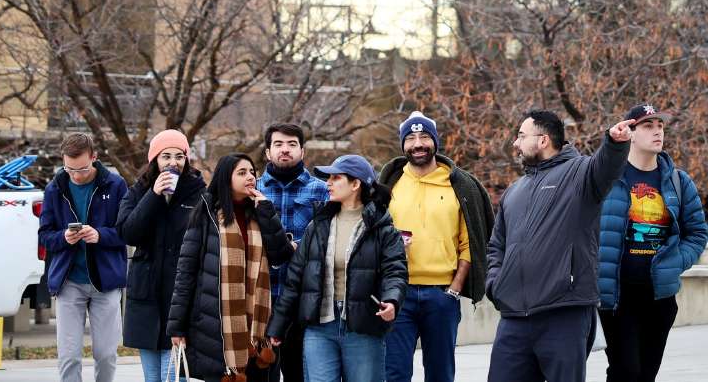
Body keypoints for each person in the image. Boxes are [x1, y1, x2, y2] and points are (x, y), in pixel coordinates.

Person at [485, 109, 635, 382]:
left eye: (521, 136)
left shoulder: (581, 175)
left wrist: (615, 144)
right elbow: (496, 247)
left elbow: (607, 166)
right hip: (514, 317)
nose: (515, 144)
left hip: (564, 314)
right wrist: (496, 285)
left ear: (543, 140)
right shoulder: (514, 192)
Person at [266, 155, 407, 382]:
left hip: (363, 327)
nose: (328, 183)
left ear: (355, 184)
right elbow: (295, 279)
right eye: (328, 178)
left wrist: (392, 300)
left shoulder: (383, 229)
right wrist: (278, 326)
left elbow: (395, 271)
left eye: (336, 177)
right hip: (319, 327)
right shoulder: (317, 225)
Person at [377, 111, 494, 382]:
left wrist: (453, 290)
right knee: (394, 374)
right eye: (411, 138)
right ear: (403, 145)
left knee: (441, 375)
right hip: (397, 296)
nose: (418, 144)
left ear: (435, 142)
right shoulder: (389, 184)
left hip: (441, 296)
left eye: (425, 137)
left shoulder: (458, 183)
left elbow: (470, 243)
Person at [597, 104, 708, 382]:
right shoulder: (609, 178)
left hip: (659, 297)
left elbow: (697, 234)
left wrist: (674, 263)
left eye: (660, 126)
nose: (657, 131)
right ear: (631, 133)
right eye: (648, 126)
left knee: (645, 374)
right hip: (617, 296)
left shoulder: (678, 181)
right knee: (627, 371)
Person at [167, 154, 294, 382]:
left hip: (257, 326)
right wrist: (177, 327)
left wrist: (267, 212)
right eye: (242, 173)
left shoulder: (259, 211)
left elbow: (281, 254)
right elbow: (185, 272)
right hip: (215, 326)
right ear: (226, 179)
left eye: (252, 172)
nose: (250, 178)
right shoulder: (206, 214)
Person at [116, 130, 206, 382]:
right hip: (146, 297)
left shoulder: (199, 193)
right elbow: (128, 232)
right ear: (154, 159)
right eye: (165, 156)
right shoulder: (138, 191)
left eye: (179, 156)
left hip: (181, 296)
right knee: (152, 377)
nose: (173, 162)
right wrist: (153, 196)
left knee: (173, 375)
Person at [39, 133, 130, 382]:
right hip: (69, 282)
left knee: (106, 354)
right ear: (63, 161)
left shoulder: (116, 184)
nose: (76, 175)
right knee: (68, 356)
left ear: (94, 157)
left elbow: (127, 231)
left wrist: (100, 235)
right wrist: (63, 238)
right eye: (70, 169)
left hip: (106, 281)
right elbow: (45, 235)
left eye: (82, 169)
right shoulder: (55, 188)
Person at [256, 123, 329, 382]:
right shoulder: (253, 190)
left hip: (303, 301)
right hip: (261, 299)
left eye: (291, 144)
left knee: (301, 373)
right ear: (267, 152)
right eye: (278, 144)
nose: (285, 150)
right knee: (263, 374)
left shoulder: (321, 190)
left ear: (302, 151)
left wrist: (299, 246)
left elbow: (327, 240)